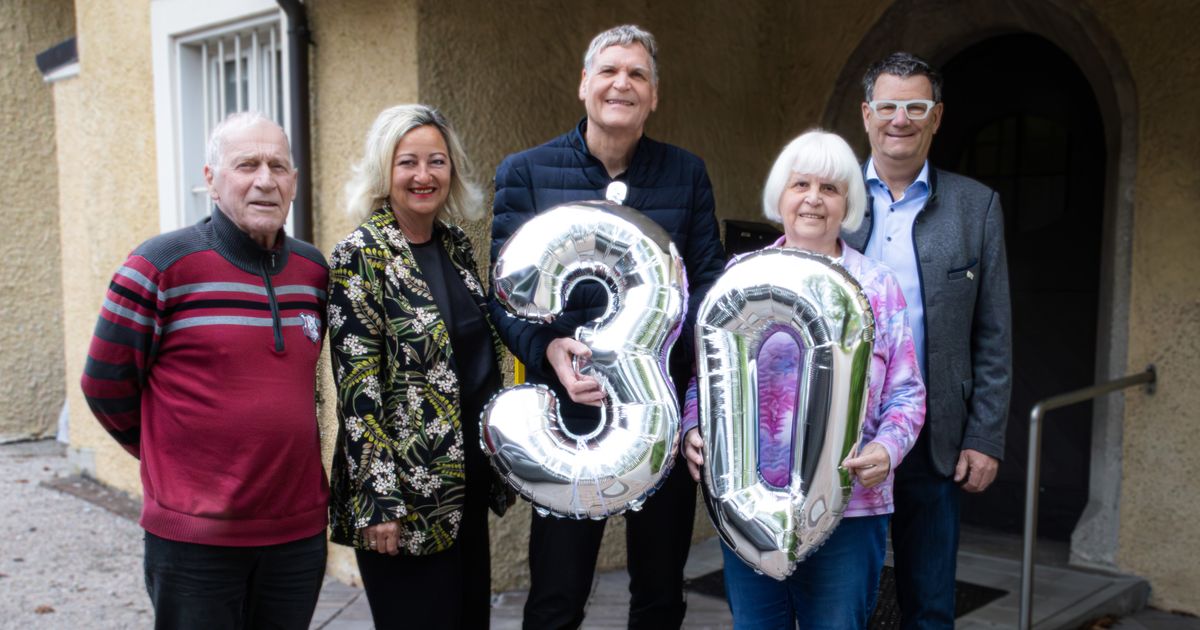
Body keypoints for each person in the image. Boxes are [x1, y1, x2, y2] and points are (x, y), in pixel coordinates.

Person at [489, 24, 726, 630]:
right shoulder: (526, 173)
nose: (622, 82)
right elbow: (506, 300)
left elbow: (706, 285)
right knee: (557, 596)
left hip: (659, 417)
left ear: (654, 97)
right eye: (610, 70)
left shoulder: (687, 174)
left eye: (638, 74)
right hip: (570, 419)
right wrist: (549, 351)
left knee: (659, 594)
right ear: (584, 85)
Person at [80, 111, 330, 629]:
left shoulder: (313, 272)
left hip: (296, 536)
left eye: (278, 167)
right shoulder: (159, 265)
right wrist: (171, 461)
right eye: (246, 165)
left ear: (294, 184)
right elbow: (105, 385)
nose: (265, 180)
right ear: (212, 180)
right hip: (195, 543)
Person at [681, 130, 927, 629]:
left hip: (850, 510)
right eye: (801, 185)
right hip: (748, 504)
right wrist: (692, 428)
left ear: (847, 204)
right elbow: (703, 378)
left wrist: (888, 449)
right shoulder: (742, 275)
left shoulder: (877, 287)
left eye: (831, 188)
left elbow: (907, 391)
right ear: (781, 196)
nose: (814, 199)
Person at [844, 52, 1013, 629]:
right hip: (844, 432)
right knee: (840, 599)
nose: (901, 119)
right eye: (888, 106)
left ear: (936, 117)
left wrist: (985, 434)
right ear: (866, 114)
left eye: (916, 107)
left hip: (936, 433)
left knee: (931, 604)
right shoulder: (830, 199)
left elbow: (993, 332)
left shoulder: (975, 207)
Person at [327, 104, 510, 630]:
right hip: (403, 499)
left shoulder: (454, 247)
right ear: (384, 171)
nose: (424, 176)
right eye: (408, 162)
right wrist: (379, 502)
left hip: (464, 487)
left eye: (437, 161)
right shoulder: (360, 255)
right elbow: (358, 391)